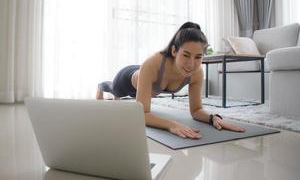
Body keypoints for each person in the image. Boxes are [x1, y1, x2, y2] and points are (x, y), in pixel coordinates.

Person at [96, 22, 245, 139]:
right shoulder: (153, 63)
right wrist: (171, 125)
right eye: (186, 55)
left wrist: (213, 118)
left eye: (198, 57)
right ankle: (100, 86)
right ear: (174, 51)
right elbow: (142, 113)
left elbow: (196, 110)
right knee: (113, 89)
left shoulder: (197, 73)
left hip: (146, 78)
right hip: (127, 79)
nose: (191, 64)